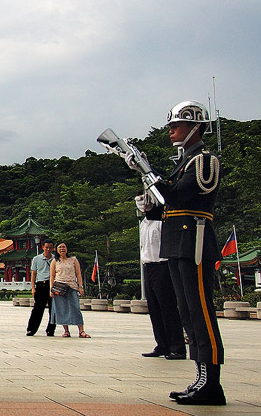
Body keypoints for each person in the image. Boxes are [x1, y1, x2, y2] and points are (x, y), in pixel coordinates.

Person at [129, 101, 225, 406]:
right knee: (187, 313)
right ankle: (200, 378)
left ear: (195, 127)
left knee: (201, 313)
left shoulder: (203, 161)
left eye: (176, 125)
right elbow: (164, 202)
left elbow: (181, 194)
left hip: (194, 242)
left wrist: (149, 171)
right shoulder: (184, 163)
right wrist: (147, 179)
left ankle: (211, 383)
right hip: (176, 243)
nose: (171, 131)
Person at [137, 194, 186, 360]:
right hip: (148, 266)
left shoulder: (162, 224)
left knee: (168, 308)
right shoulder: (144, 224)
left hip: (162, 266)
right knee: (154, 309)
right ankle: (162, 344)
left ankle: (177, 347)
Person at [48, 242, 89, 338]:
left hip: (72, 286)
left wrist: (80, 286)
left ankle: (81, 331)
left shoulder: (73, 260)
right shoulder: (55, 261)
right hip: (59, 288)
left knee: (75, 308)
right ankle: (66, 330)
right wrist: (51, 289)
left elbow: (78, 274)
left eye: (64, 247)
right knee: (62, 309)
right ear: (56, 249)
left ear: (67, 249)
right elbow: (52, 275)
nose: (62, 249)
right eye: (60, 247)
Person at [25, 241, 56, 337]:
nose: (48, 249)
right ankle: (31, 329)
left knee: (53, 309)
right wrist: (33, 288)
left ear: (53, 248)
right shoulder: (36, 259)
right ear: (43, 247)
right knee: (37, 309)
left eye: (50, 247)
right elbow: (33, 274)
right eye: (46, 247)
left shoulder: (56, 259)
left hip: (53, 286)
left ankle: (51, 330)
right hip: (41, 285)